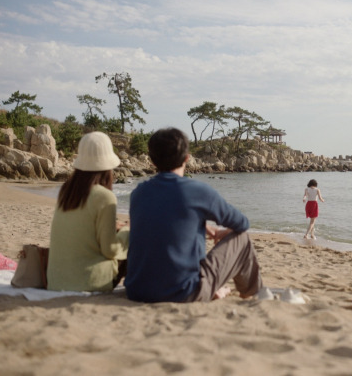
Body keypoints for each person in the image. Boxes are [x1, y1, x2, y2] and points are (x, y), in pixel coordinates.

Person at [125, 127, 263, 303]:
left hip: (137, 290)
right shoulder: (196, 191)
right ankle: (251, 294)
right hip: (183, 292)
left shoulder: (139, 193)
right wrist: (223, 232)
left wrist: (200, 225)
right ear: (187, 158)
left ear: (152, 161)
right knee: (242, 239)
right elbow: (242, 223)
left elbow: (164, 217)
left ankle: (217, 290)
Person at [47, 131, 129, 292]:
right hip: (88, 282)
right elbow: (110, 250)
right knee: (132, 241)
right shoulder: (105, 196)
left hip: (55, 281)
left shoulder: (67, 190)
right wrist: (127, 231)